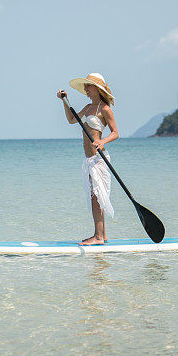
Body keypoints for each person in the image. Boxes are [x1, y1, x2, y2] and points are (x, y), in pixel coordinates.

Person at [57, 73, 119, 245]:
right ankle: (102, 235)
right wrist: (64, 101)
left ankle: (98, 237)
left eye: (88, 86)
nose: (85, 89)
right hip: (89, 160)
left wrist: (102, 141)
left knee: (97, 197)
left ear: (97, 89)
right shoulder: (88, 107)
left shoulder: (104, 109)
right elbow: (71, 119)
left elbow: (115, 133)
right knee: (96, 196)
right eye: (85, 86)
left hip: (99, 159)